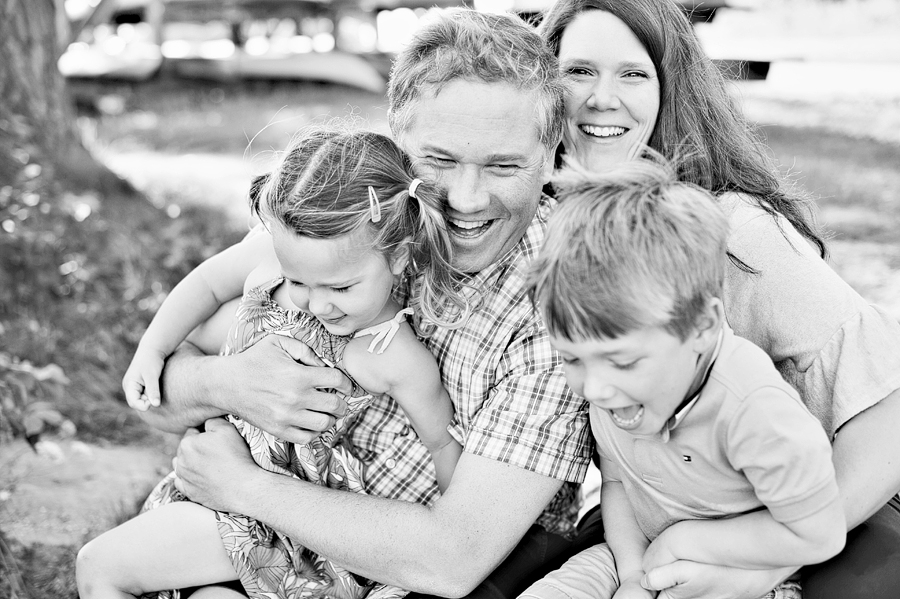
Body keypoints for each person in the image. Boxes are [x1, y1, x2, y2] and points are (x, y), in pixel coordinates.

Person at [125, 8, 593, 599]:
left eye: (504, 166)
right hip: (263, 536)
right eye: (441, 161)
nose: (467, 201)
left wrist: (243, 487)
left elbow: (452, 559)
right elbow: (151, 397)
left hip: (393, 575)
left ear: (551, 156)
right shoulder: (345, 229)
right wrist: (230, 384)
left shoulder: (562, 309)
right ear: (395, 143)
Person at [536, 0, 900, 597]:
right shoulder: (551, 233)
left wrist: (762, 564)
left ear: (670, 89)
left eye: (633, 73)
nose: (602, 97)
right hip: (669, 513)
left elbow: (891, 412)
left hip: (828, 509)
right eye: (578, 71)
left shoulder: (736, 235)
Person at [76, 128, 469, 599]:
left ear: (400, 257)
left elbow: (442, 443)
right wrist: (152, 349)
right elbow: (205, 284)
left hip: (277, 520)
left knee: (100, 566)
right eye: (297, 280)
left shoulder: (393, 355)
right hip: (213, 481)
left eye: (341, 288)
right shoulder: (268, 263)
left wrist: (456, 533)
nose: (316, 304)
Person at [522, 158, 847, 599]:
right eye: (572, 358)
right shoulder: (616, 391)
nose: (594, 389)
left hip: (742, 573)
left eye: (622, 361)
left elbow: (821, 535)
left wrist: (686, 543)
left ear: (701, 327)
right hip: (632, 554)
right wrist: (635, 575)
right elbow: (617, 482)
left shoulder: (755, 410)